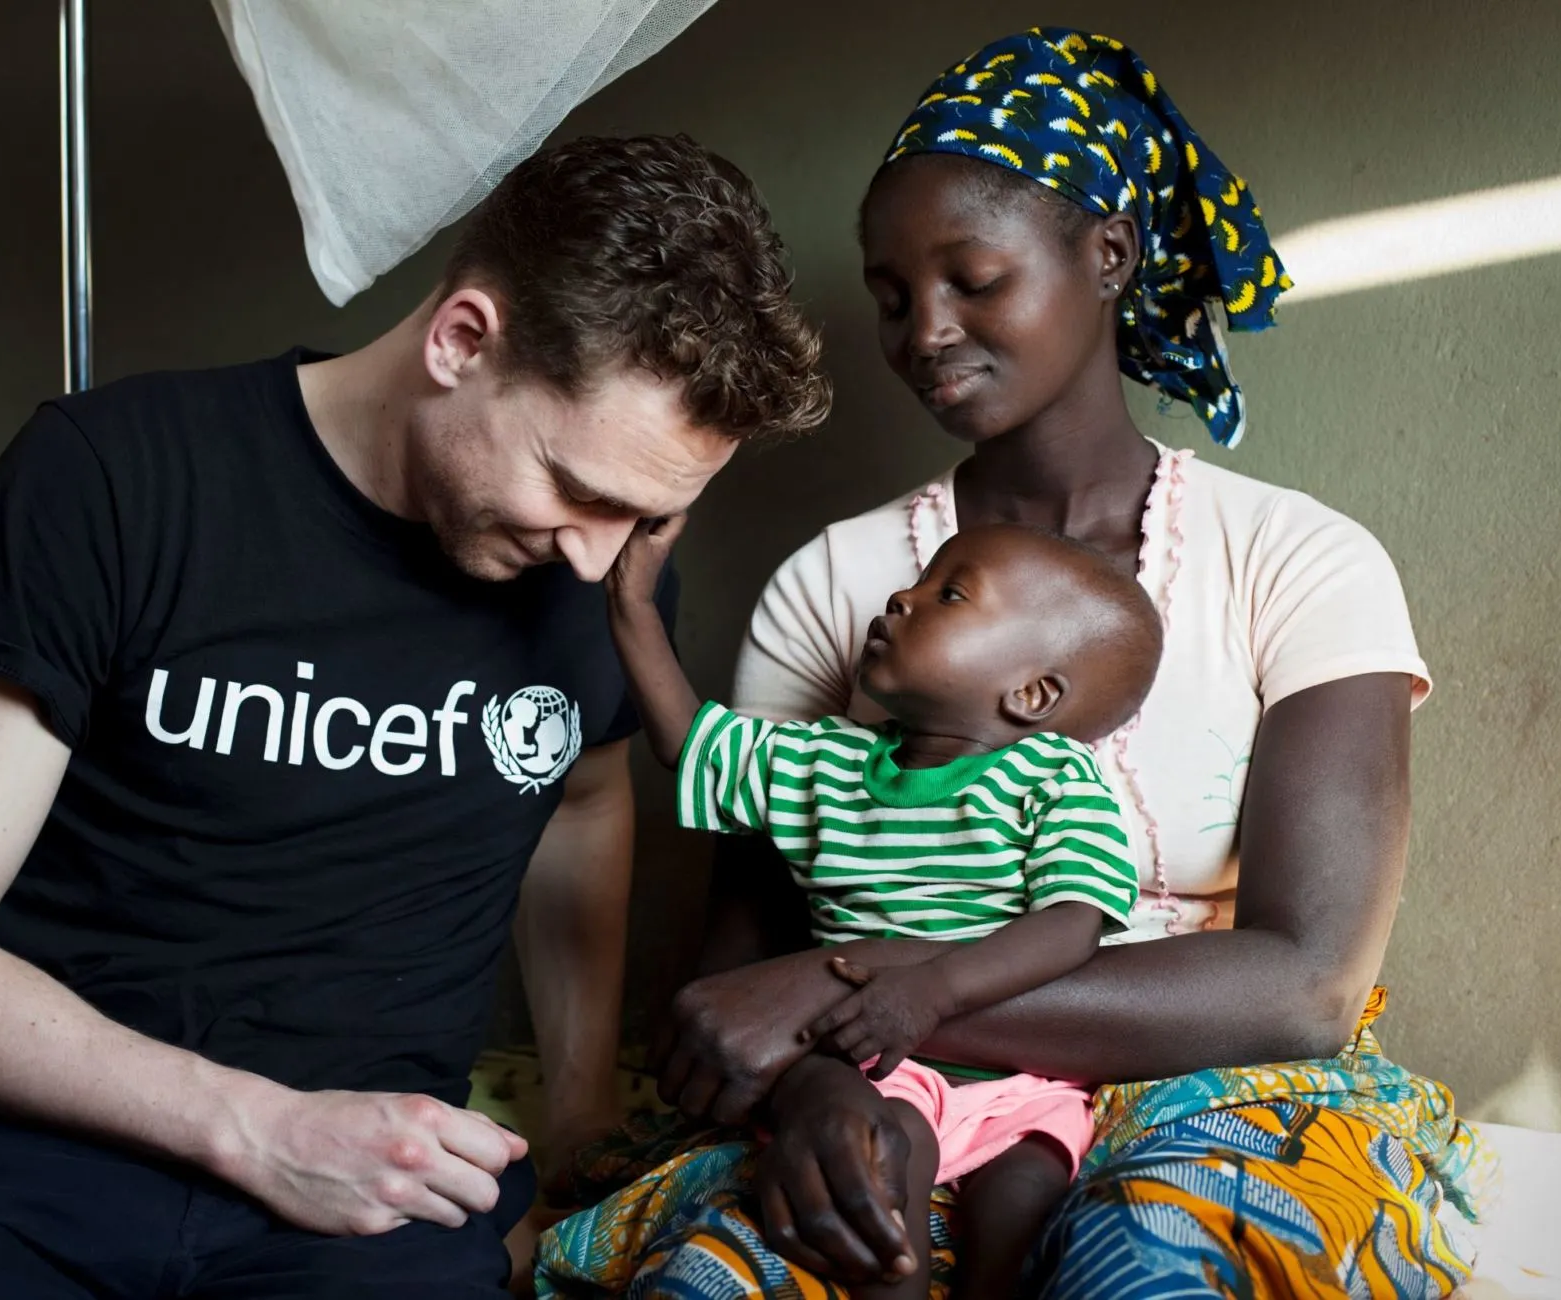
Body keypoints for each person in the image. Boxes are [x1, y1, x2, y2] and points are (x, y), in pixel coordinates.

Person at [540, 29, 1489, 1300]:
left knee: (1142, 1272)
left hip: (1216, 1089)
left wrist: (847, 997)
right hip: (884, 1093)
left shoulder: (1296, 560)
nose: (924, 331)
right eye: (889, 296)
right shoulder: (839, 582)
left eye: (972, 280)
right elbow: (731, 974)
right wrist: (821, 1084)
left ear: (1108, 253)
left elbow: (1302, 983)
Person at [0, 133, 830, 1300]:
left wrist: (579, 1109)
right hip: (32, 1163)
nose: (599, 558)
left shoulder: (601, 575)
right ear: (462, 340)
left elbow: (581, 795)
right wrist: (260, 1130)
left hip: (380, 1200)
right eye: (577, 489)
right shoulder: (113, 478)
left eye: (649, 521)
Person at [602, 514, 1163, 1298]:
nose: (901, 598)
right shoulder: (819, 760)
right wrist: (630, 603)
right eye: (918, 581)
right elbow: (684, 742)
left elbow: (1073, 922)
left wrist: (932, 991)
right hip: (881, 1065)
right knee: (880, 1165)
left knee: (1025, 1198)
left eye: (949, 594)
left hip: (1027, 1074)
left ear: (1030, 694)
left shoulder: (1054, 780)